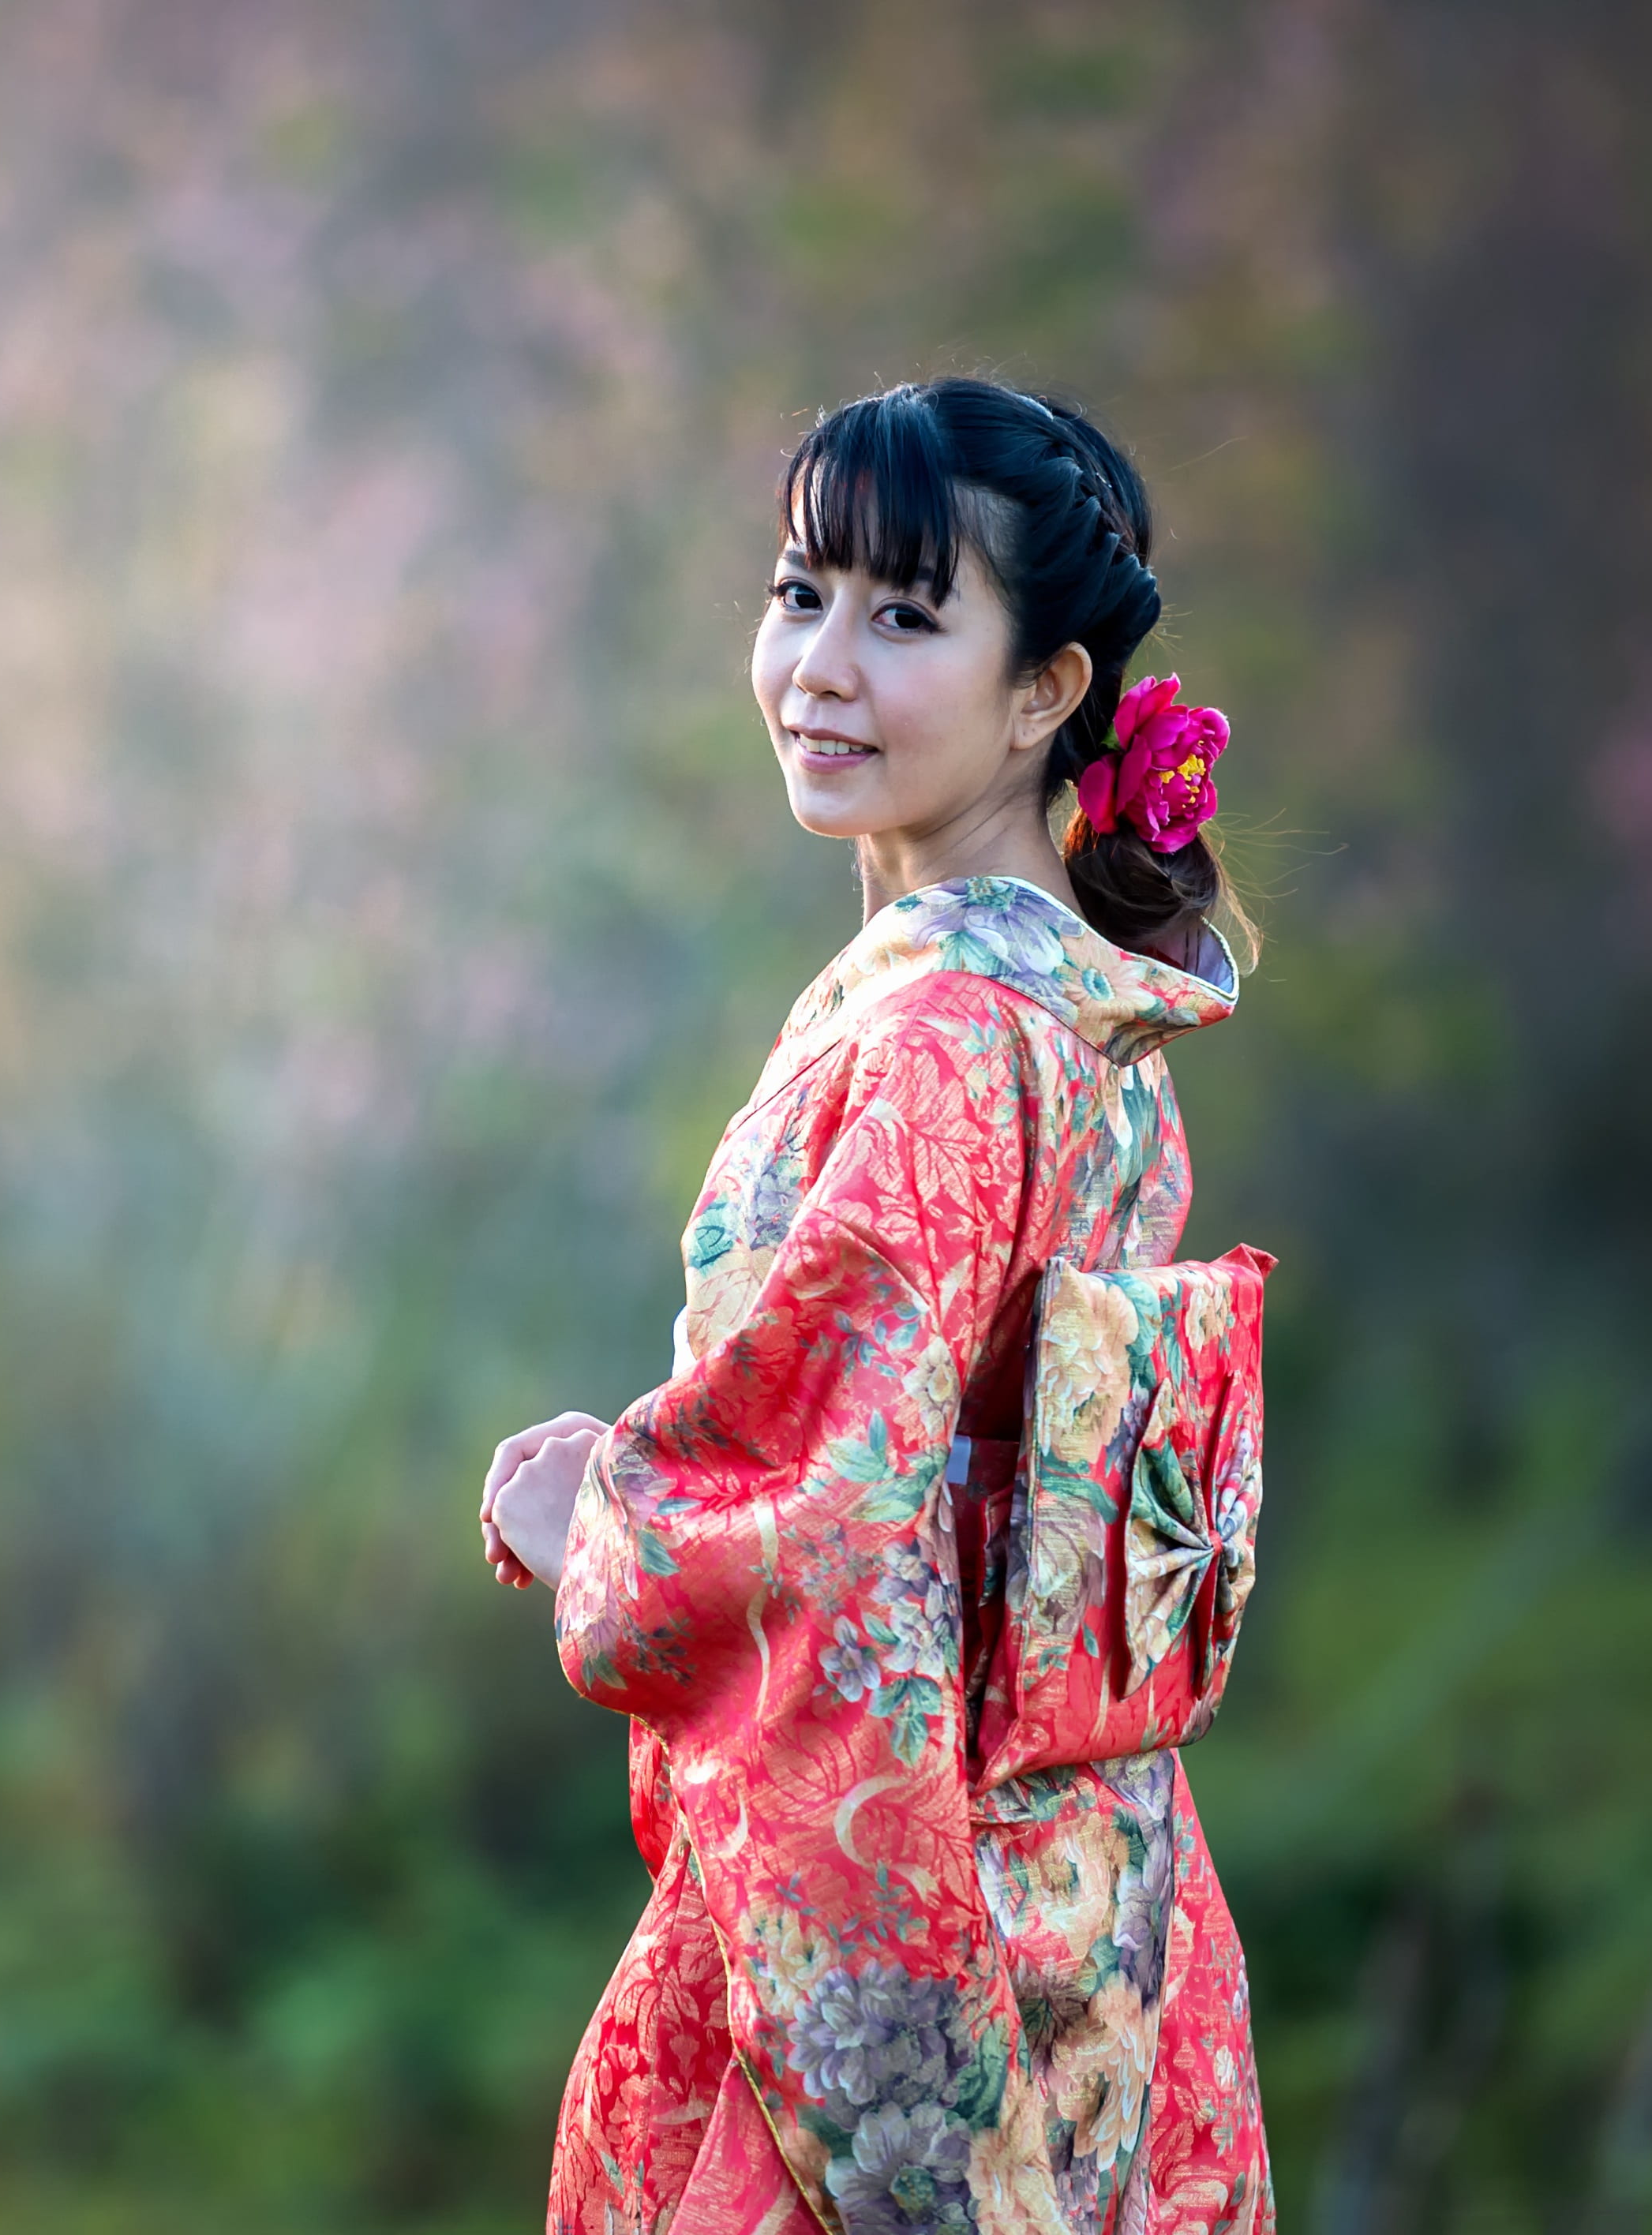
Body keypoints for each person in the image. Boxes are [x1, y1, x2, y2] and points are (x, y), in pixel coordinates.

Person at [479, 379, 1272, 2234]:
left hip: (915, 1936)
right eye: (799, 591)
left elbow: (821, 1533)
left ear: (1044, 691)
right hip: (1106, 1921)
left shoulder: (940, 1044)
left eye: (906, 614)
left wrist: (601, 1512)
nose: (820, 662)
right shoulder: (1083, 1022)